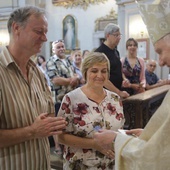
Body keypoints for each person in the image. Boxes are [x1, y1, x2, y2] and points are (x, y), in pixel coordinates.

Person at [94, 0, 170, 169]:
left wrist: (117, 140)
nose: (161, 61)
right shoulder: (102, 52)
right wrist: (151, 136)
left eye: (160, 51)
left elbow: (158, 157)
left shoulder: (116, 52)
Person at [0, 6, 66, 170]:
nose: (45, 38)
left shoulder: (38, 73)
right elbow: (37, 129)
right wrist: (32, 131)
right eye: (39, 31)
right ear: (16, 28)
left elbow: (47, 121)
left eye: (45, 32)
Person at [57, 52, 125, 170]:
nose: (100, 75)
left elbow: (119, 129)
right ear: (85, 72)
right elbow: (60, 136)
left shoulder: (115, 98)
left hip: (110, 165)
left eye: (104, 71)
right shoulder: (71, 99)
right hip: (80, 165)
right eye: (94, 71)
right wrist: (94, 144)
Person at [46, 39, 80, 155]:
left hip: (72, 96)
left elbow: (75, 73)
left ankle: (69, 145)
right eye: (58, 47)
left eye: (62, 47)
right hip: (59, 97)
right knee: (58, 123)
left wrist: (75, 78)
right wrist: (70, 80)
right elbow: (55, 79)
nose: (61, 49)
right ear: (53, 50)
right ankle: (57, 147)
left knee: (70, 121)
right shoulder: (51, 61)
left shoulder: (68, 60)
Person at [95, 23, 130, 98]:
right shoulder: (99, 53)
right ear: (108, 35)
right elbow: (102, 78)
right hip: (104, 94)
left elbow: (117, 70)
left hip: (116, 92)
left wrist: (124, 79)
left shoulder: (116, 51)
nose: (119, 38)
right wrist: (119, 92)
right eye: (116, 35)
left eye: (119, 35)